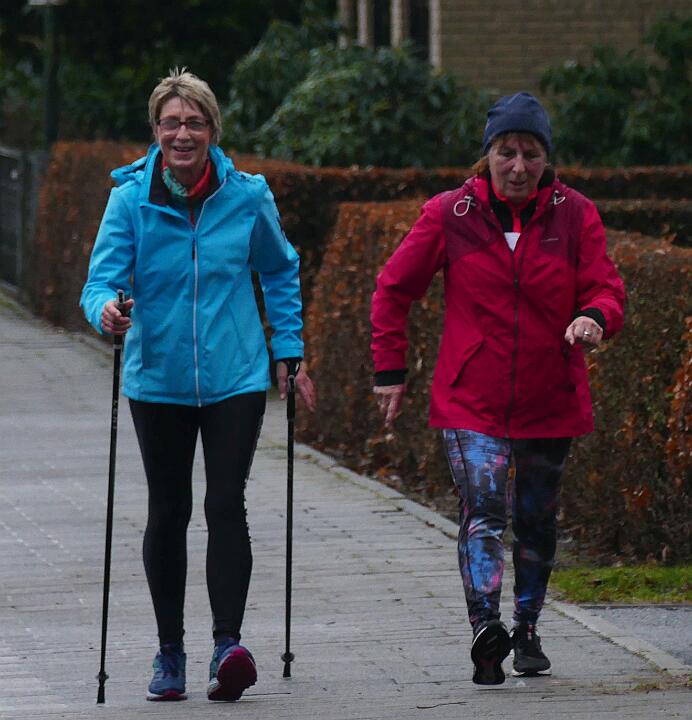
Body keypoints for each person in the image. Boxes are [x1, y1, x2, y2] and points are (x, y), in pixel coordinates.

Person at [370, 92, 624, 685]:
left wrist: (594, 317)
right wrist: (390, 370)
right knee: (483, 510)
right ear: (487, 155)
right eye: (506, 152)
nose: (518, 166)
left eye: (530, 154)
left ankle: (527, 628)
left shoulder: (575, 214)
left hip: (550, 394)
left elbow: (606, 288)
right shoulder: (449, 214)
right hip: (471, 400)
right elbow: (393, 288)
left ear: (546, 159)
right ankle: (486, 627)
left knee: (536, 518)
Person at [81, 68, 316, 703]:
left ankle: (226, 647)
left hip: (235, 376)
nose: (182, 134)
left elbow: (280, 268)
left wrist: (288, 349)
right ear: (155, 131)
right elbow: (99, 282)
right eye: (171, 123)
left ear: (213, 129)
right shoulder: (130, 200)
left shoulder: (247, 197)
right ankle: (169, 653)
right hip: (157, 378)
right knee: (169, 509)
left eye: (194, 122)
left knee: (224, 503)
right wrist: (106, 311)